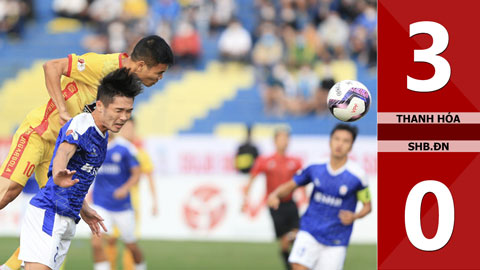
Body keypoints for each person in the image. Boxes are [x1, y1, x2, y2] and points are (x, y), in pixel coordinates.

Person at [0, 35, 172, 270]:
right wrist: (62, 111)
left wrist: (83, 206)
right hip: (39, 133)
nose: (160, 78)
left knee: (56, 214)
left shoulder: (121, 91)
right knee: (9, 191)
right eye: (159, 73)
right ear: (141, 65)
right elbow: (51, 67)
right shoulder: (105, 66)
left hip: (60, 148)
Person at [18, 67, 143, 270]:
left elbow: (80, 177)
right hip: (49, 211)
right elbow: (64, 153)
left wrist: (84, 209)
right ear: (100, 105)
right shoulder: (83, 123)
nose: (124, 117)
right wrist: (58, 173)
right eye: (118, 110)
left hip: (68, 216)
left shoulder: (103, 137)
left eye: (129, 111)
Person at [267, 124, 372, 270]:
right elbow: (292, 185)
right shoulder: (315, 166)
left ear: (351, 146)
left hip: (337, 238)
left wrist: (355, 216)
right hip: (310, 230)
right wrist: (275, 194)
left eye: (345, 141)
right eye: (337, 139)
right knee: (297, 265)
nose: (340, 144)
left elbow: (367, 206)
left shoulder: (358, 176)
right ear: (330, 141)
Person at [242, 127, 302, 270]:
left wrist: (307, 197)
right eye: (281, 138)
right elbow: (252, 179)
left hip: (290, 202)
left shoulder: (294, 161)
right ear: (275, 141)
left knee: (298, 235)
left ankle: (293, 260)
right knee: (285, 237)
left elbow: (302, 181)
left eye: (286, 138)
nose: (284, 142)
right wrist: (245, 200)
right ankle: (288, 260)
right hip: (275, 205)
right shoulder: (265, 160)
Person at [90, 132, 145, 270]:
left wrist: (125, 188)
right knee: (96, 244)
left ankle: (141, 267)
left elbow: (137, 173)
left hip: (122, 206)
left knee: (131, 245)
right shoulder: (93, 145)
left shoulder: (125, 148)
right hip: (100, 203)